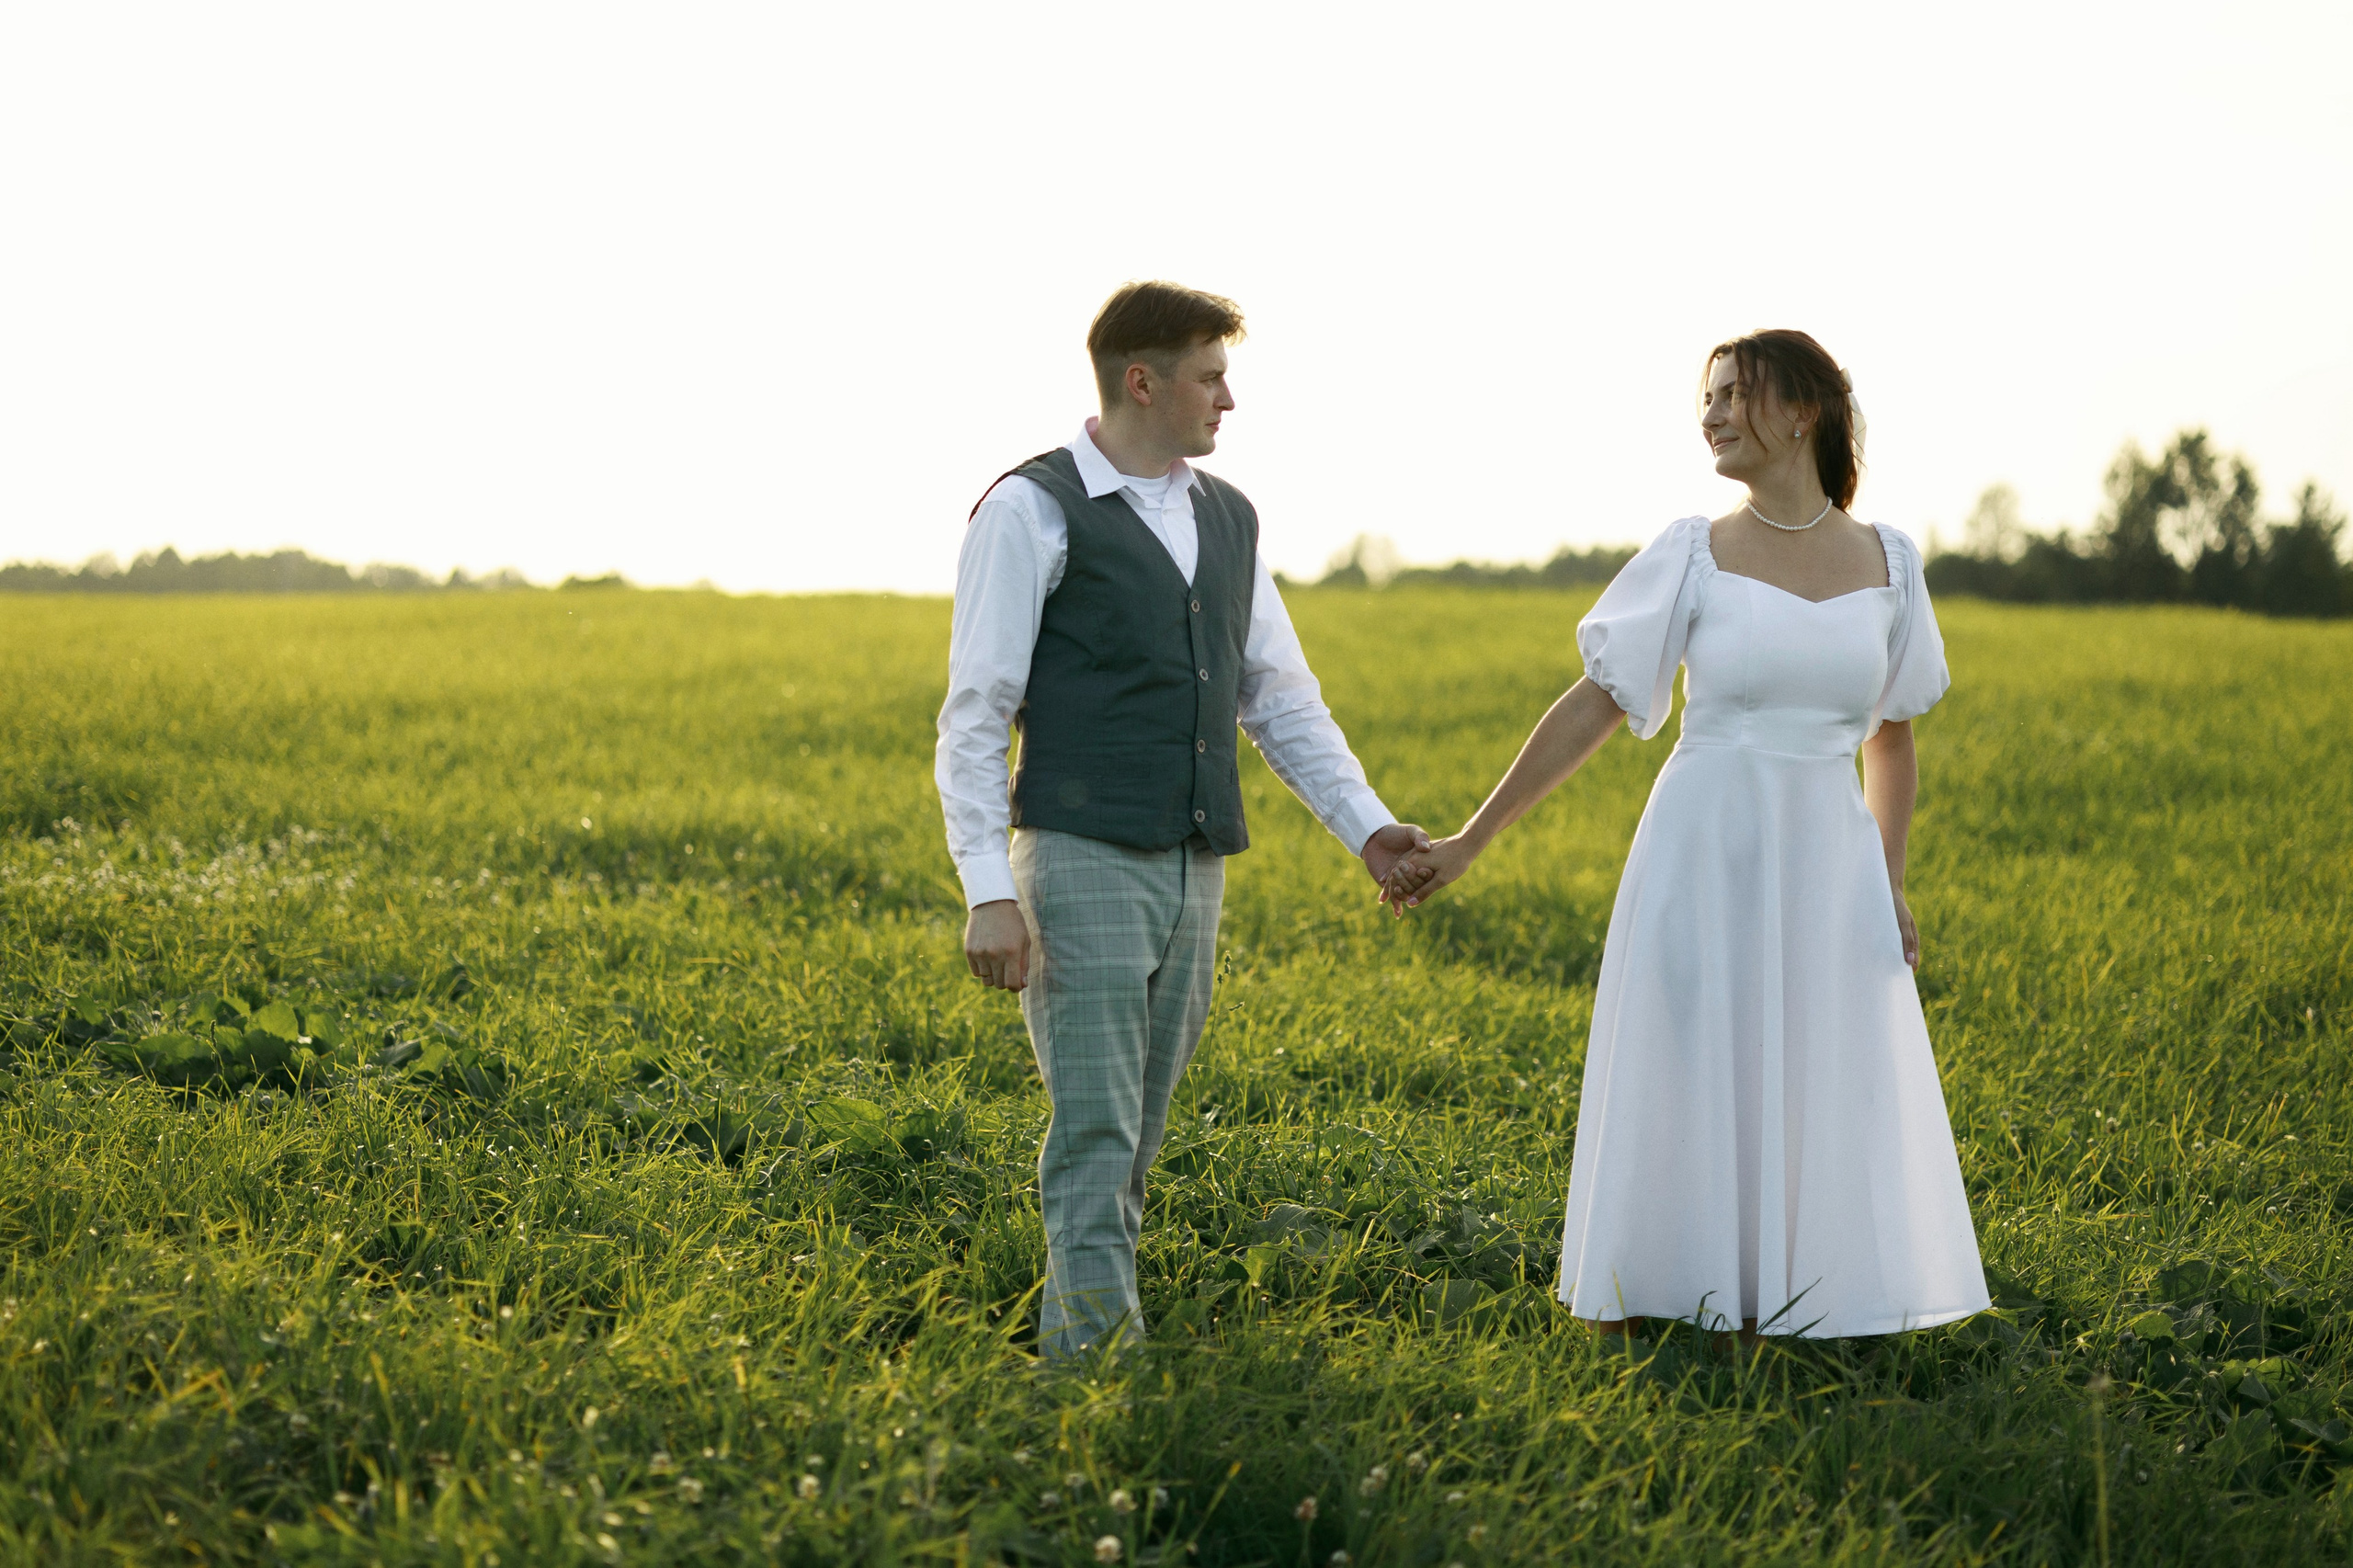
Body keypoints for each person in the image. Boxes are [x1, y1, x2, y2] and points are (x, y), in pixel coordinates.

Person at [1385, 330, 1988, 1340]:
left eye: (1731, 395)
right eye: (1702, 398)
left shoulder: (1889, 562)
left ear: (1803, 411)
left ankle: (1794, 1303)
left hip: (1826, 858)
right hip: (1701, 846)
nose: (1708, 414)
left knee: (1816, 1068)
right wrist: (1470, 837)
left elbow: (1891, 742)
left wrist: (1885, 882)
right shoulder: (1692, 551)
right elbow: (1595, 704)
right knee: (1687, 1056)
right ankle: (1654, 1292)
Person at [936, 280, 1434, 1358]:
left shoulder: (1228, 514)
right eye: (1211, 376)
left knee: (1138, 1130)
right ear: (1141, 380)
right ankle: (1098, 1372)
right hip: (1077, 854)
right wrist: (987, 888)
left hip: (1194, 862)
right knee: (1097, 1128)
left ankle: (1083, 1330)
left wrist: (1367, 826)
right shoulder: (1029, 509)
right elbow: (975, 714)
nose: (1229, 399)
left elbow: (1278, 696)